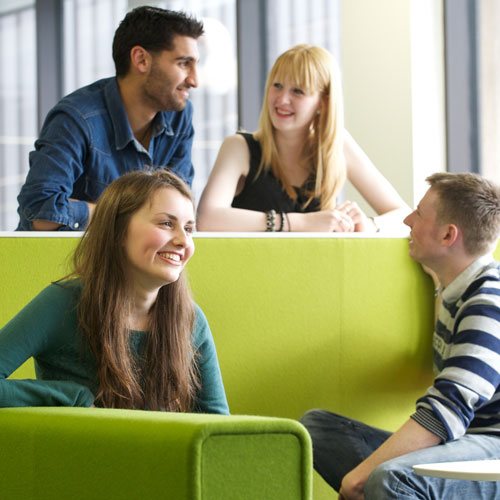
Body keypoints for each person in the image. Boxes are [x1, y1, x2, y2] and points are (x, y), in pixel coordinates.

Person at [300, 172, 500, 499]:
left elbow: (449, 407)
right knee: (317, 429)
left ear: (449, 235)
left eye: (419, 213)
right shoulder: (455, 286)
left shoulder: (488, 303)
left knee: (392, 479)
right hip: (466, 440)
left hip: (493, 448)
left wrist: (360, 477)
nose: (408, 219)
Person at [1, 169, 229, 414]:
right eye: (166, 223)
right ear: (118, 230)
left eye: (189, 228)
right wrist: (71, 396)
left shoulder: (191, 320)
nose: (183, 241)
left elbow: (217, 424)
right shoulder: (63, 303)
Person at [17, 6, 204, 231]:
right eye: (184, 63)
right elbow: (40, 210)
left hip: (132, 261)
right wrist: (129, 216)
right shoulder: (76, 118)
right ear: (141, 59)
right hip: (67, 262)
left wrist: (102, 214)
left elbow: (180, 211)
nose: (194, 80)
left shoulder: (179, 116)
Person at [197, 44, 409, 233]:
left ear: (323, 102)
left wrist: (368, 224)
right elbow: (207, 219)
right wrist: (300, 223)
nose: (282, 99)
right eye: (277, 85)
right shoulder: (239, 147)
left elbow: (403, 216)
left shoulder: (337, 145)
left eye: (298, 91)